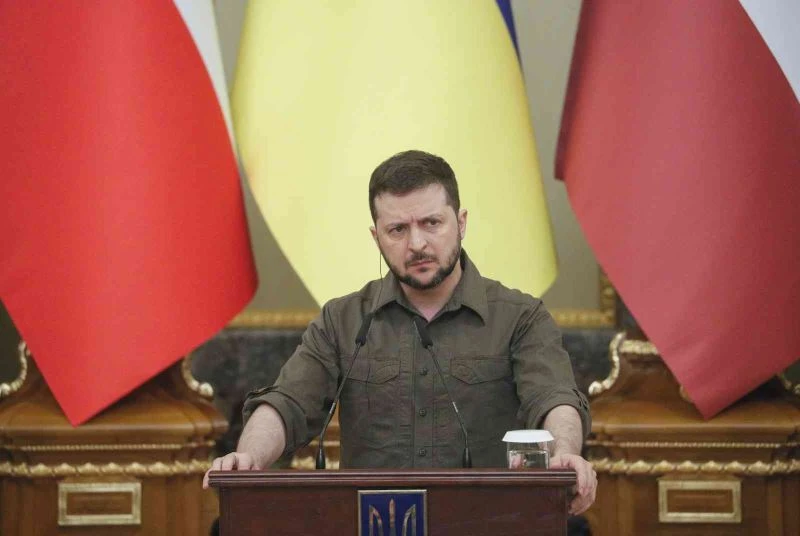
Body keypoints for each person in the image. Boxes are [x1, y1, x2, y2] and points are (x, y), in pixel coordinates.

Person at [204, 150, 597, 514]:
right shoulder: (343, 320)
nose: (417, 244)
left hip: (488, 521)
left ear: (460, 223)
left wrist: (565, 453)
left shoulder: (520, 317)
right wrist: (249, 457)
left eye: (431, 223)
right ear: (377, 237)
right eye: (397, 230)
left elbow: (554, 397)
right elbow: (287, 403)